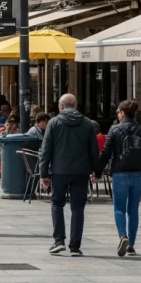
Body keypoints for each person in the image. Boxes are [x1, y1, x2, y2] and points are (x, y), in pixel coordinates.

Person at [96, 100, 141, 257]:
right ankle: (131, 244)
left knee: (119, 208)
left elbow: (105, 152)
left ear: (122, 113)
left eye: (118, 112)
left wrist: (97, 171)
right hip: (139, 174)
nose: (118, 114)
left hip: (120, 173)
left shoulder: (115, 129)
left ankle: (122, 236)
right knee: (133, 209)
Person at [39, 94, 100, 256]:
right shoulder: (87, 124)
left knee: (57, 204)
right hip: (81, 172)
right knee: (78, 208)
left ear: (61, 106)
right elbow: (94, 150)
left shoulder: (53, 123)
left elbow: (46, 150)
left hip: (59, 171)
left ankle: (59, 240)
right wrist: (97, 170)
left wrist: (43, 173)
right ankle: (75, 246)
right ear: (76, 105)